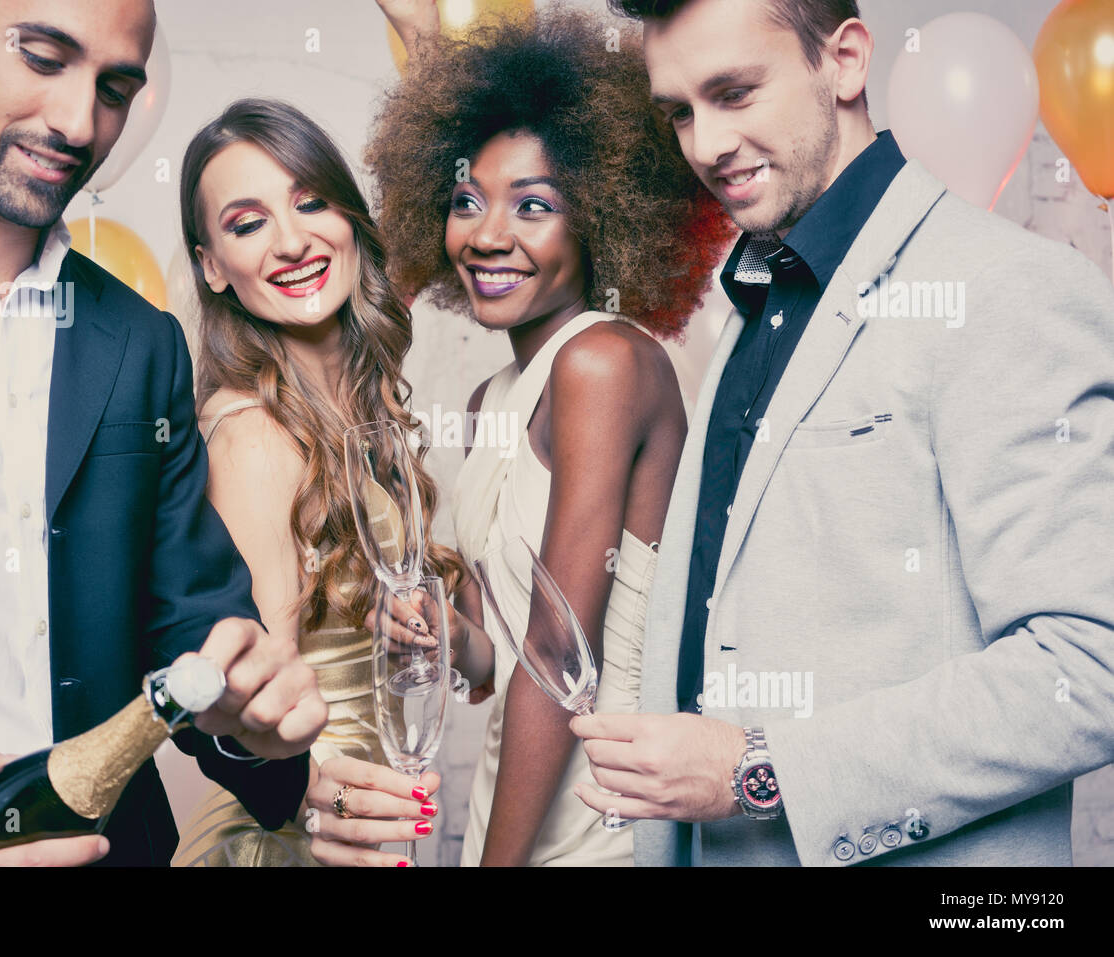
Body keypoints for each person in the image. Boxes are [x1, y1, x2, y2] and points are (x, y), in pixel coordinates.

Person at [573, 0, 1114, 866]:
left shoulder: (1010, 287)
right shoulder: (753, 309)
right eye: (679, 111)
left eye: (735, 92)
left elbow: (1091, 665)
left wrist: (764, 770)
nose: (705, 144)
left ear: (848, 61)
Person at [0, 0, 327, 866]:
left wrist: (251, 720)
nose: (79, 122)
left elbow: (198, 634)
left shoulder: (140, 339)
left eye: (116, 88)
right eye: (44, 57)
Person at [342, 2, 732, 866]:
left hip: (603, 817)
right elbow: (492, 659)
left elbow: (560, 653)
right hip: (510, 800)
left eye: (534, 206)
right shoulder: (493, 396)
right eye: (467, 201)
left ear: (600, 216)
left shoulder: (603, 362)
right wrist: (437, 626)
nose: (488, 234)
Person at [167, 99, 468, 867]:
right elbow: (254, 706)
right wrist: (326, 797)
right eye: (247, 222)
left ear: (349, 219)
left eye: (310, 201)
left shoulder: (363, 399)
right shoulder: (255, 434)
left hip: (365, 815)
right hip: (298, 836)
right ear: (211, 266)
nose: (293, 238)